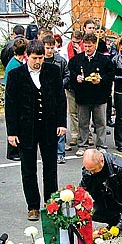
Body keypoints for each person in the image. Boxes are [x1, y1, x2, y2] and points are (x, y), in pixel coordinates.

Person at [5, 40, 67, 221]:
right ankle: (32, 206)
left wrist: (61, 123)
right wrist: (12, 132)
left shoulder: (53, 71)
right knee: (28, 169)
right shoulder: (16, 75)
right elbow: (11, 105)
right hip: (26, 129)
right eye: (34, 58)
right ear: (27, 56)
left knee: (50, 168)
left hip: (48, 127)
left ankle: (51, 204)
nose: (37, 61)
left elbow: (60, 99)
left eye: (40, 57)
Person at [68, 33, 115, 154]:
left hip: (99, 97)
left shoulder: (104, 60)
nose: (88, 49)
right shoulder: (77, 60)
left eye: (90, 46)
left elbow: (110, 75)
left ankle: (101, 145)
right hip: (83, 96)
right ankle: (82, 145)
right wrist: (76, 78)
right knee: (83, 123)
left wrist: (101, 79)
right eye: (86, 46)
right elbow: (70, 73)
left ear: (95, 45)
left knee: (100, 123)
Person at [42, 35, 70, 164]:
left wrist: (59, 85)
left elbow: (67, 75)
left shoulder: (60, 61)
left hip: (58, 95)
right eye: (47, 48)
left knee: (60, 122)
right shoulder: (39, 61)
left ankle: (60, 152)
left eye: (51, 48)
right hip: (43, 96)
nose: (49, 51)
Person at [3, 38, 27, 162]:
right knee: (14, 125)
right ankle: (12, 152)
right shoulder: (14, 66)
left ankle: (16, 150)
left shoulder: (15, 62)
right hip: (13, 99)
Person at [62, 30, 84, 148]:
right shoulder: (65, 50)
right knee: (72, 112)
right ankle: (75, 135)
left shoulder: (85, 49)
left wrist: (80, 54)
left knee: (84, 112)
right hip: (71, 85)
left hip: (83, 86)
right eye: (74, 42)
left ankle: (86, 135)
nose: (75, 44)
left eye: (78, 42)